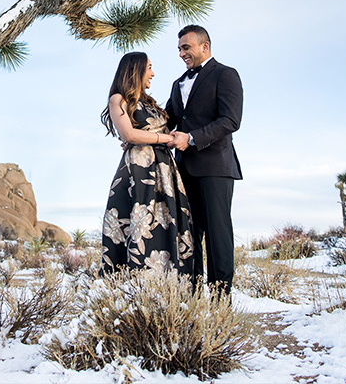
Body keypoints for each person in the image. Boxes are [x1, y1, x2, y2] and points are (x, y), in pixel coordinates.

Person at [100, 52, 195, 274]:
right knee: (141, 219)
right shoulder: (118, 99)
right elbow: (129, 135)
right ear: (136, 70)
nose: (153, 73)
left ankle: (167, 282)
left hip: (164, 170)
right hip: (139, 169)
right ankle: (133, 283)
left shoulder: (148, 103)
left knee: (163, 221)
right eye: (149, 68)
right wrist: (165, 139)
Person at [165, 25, 243, 294]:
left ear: (204, 46)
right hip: (183, 169)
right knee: (189, 234)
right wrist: (136, 134)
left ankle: (221, 300)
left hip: (215, 167)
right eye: (179, 49)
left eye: (186, 47)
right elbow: (168, 119)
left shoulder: (225, 75)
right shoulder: (178, 84)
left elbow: (230, 120)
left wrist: (192, 138)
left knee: (217, 233)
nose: (181, 53)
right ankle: (194, 296)